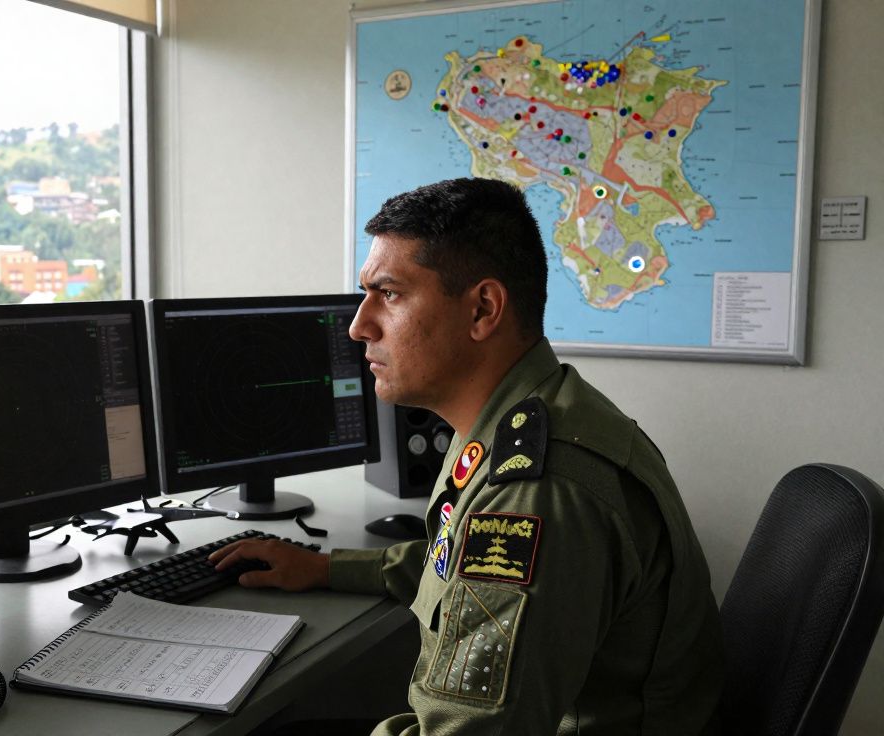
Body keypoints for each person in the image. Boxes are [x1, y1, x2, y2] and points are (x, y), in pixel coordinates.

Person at [209, 178, 723, 735]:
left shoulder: (538, 490)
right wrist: (327, 567)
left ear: (482, 309)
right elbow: (460, 560)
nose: (359, 326)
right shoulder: (523, 414)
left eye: (390, 293)